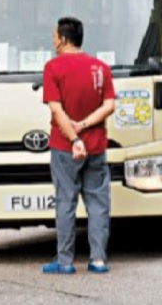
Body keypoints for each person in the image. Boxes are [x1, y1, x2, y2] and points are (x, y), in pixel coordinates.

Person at [41, 17, 116, 275]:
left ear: (63, 39)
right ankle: (98, 260)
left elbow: (56, 109)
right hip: (96, 146)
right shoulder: (100, 68)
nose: (52, 40)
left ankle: (65, 261)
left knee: (65, 202)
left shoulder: (53, 68)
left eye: (54, 36)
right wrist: (84, 125)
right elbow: (109, 105)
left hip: (64, 148)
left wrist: (74, 139)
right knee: (98, 204)